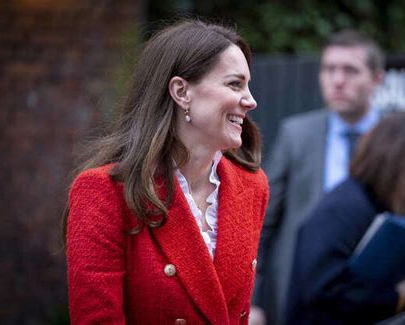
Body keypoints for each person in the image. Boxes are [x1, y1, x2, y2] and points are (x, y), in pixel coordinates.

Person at [63, 19, 269, 324]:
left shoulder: (252, 186)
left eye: (247, 86)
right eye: (234, 84)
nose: (250, 101)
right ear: (181, 91)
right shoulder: (102, 192)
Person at [253, 29, 385, 324]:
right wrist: (254, 301)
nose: (338, 80)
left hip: (377, 294)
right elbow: (263, 220)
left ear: (377, 79)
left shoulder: (397, 138)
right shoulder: (296, 134)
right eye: (329, 69)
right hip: (303, 293)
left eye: (350, 70)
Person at [286, 112, 405, 324]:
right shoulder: (341, 209)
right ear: (396, 165)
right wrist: (395, 296)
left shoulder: (382, 202)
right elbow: (322, 294)